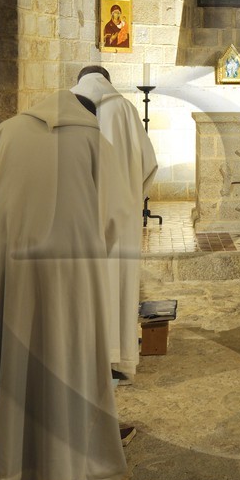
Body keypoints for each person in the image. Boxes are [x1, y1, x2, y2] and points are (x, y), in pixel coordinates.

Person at [0, 87, 127, 480]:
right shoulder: (94, 143)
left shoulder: (3, 134)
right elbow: (114, 220)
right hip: (67, 277)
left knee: (2, 365)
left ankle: (1, 472)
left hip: (1, 267)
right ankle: (60, 478)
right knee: (63, 365)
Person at [71, 65, 157, 377]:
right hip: (119, 219)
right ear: (107, 80)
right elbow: (149, 164)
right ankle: (116, 356)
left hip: (75, 216)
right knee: (116, 281)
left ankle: (78, 356)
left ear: (79, 80)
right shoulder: (125, 110)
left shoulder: (63, 107)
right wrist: (132, 199)